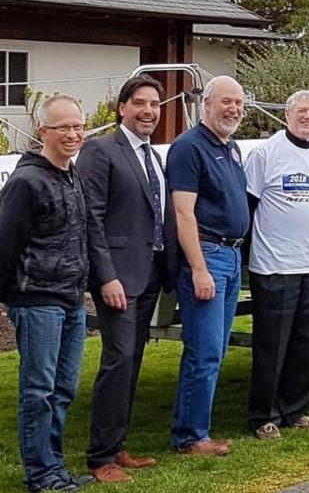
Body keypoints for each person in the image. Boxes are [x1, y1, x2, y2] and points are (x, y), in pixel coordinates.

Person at [77, 75, 178, 482]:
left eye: (154, 104)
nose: (149, 111)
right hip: (118, 277)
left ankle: (116, 446)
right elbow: (91, 218)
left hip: (150, 273)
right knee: (117, 360)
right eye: (140, 103)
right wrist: (106, 276)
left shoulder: (153, 157)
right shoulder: (101, 151)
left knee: (132, 360)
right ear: (122, 107)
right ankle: (99, 457)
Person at [0, 95, 94, 492]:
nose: (72, 134)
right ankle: (40, 473)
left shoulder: (72, 176)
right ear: (43, 132)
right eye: (63, 128)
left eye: (77, 126)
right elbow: (5, 244)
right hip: (36, 300)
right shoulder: (26, 182)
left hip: (71, 300)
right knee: (38, 391)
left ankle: (54, 466)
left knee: (63, 388)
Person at [167, 76, 249, 456]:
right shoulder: (189, 147)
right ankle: (190, 436)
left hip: (231, 256)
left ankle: (198, 429)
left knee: (215, 349)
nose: (233, 109)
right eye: (226, 102)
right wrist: (198, 268)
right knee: (204, 351)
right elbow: (183, 212)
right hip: (208, 255)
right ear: (207, 104)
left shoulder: (230, 148)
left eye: (239, 103)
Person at [244, 91, 309, 440]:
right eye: (302, 111)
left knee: (304, 344)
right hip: (274, 266)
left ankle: (296, 409)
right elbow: (247, 207)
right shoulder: (266, 153)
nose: (308, 117)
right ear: (288, 115)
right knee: (272, 345)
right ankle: (263, 415)